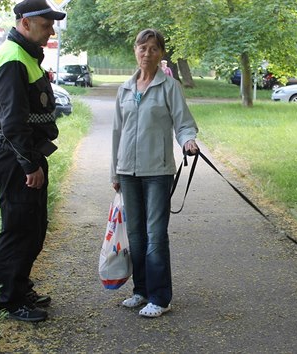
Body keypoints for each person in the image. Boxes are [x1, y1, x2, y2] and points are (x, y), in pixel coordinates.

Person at [0, 0, 65, 322]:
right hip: (18, 159)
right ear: (25, 23)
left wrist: (33, 161)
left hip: (29, 155)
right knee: (18, 230)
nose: (51, 31)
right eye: (46, 25)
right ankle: (10, 301)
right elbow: (12, 123)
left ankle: (21, 287)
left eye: (52, 24)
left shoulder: (26, 56)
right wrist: (29, 165)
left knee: (33, 228)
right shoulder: (13, 58)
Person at [111, 29, 199, 318]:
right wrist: (115, 171)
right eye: (142, 47)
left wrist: (187, 140)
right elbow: (117, 132)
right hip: (127, 171)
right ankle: (141, 291)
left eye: (153, 48)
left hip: (158, 171)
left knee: (155, 235)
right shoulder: (125, 88)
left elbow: (183, 123)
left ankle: (161, 298)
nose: (147, 53)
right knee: (135, 235)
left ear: (161, 54)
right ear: (135, 51)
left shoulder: (169, 87)